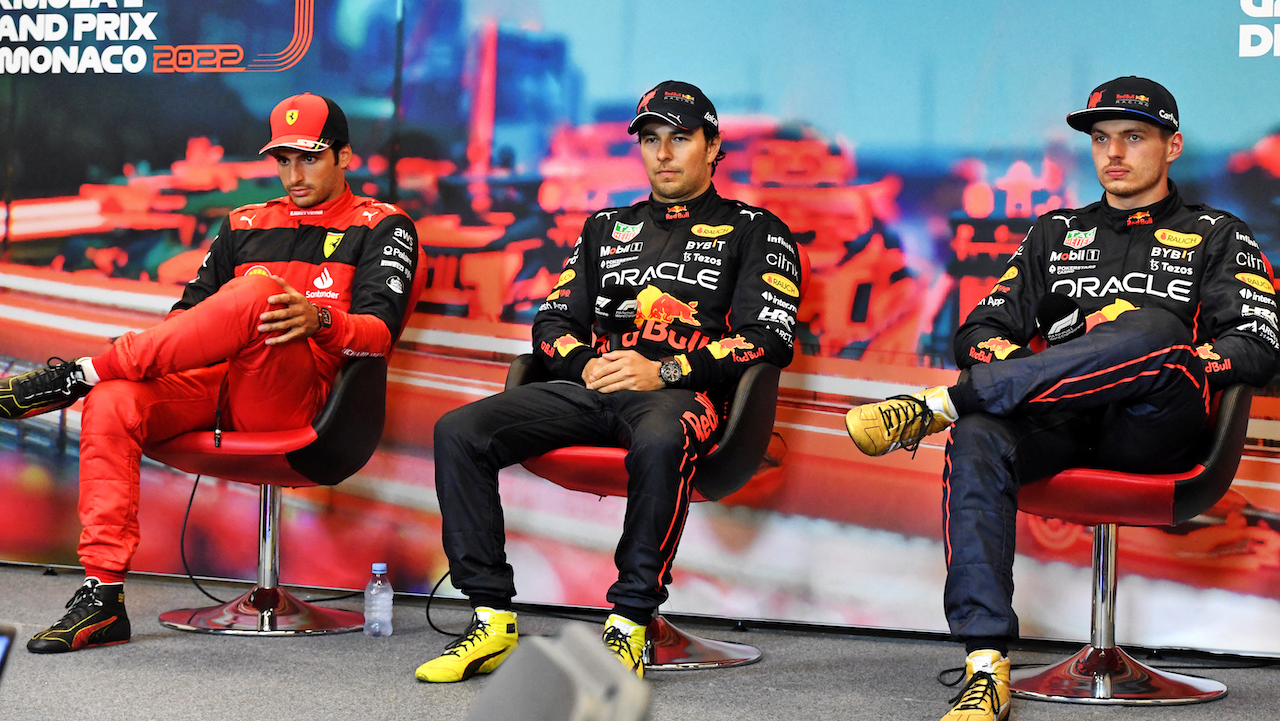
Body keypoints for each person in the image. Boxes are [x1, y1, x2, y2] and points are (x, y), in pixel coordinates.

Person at [844, 77, 1279, 721]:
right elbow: (980, 331)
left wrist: (1177, 357)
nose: (1114, 153)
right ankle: (986, 664)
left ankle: (942, 405)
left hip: (1158, 428)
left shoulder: (1218, 233)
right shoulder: (1056, 233)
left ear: (1173, 145)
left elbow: (1259, 344)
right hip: (1062, 419)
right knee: (981, 435)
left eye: (1134, 137)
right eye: (1102, 139)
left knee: (1151, 329)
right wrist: (1034, 370)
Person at [0, 93, 420, 653]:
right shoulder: (244, 222)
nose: (294, 174)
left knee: (256, 292)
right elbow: (187, 323)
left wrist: (318, 318)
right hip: (222, 386)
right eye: (283, 159)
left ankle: (79, 373)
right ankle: (102, 598)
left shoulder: (385, 226)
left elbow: (379, 334)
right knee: (113, 402)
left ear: (344, 157)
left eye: (310, 158)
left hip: (311, 401)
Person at [417, 80, 800, 681]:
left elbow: (768, 338)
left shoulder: (757, 230)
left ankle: (629, 625)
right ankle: (490, 618)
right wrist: (582, 364)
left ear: (713, 146)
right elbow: (551, 320)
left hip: (684, 395)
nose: (664, 154)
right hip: (594, 388)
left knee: (659, 439)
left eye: (680, 138)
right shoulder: (604, 227)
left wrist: (665, 370)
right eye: (651, 140)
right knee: (458, 430)